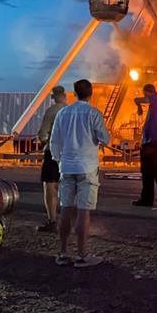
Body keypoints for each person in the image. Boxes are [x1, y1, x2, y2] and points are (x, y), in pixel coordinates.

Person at [50, 79, 109, 267]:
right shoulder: (93, 114)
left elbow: (54, 141)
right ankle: (82, 255)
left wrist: (59, 160)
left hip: (66, 167)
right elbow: (105, 139)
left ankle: (62, 252)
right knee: (84, 211)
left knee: (66, 209)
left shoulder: (62, 113)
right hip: (87, 168)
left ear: (74, 93)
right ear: (91, 94)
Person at [133, 83, 157, 207]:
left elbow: (140, 99)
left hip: (154, 144)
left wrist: (137, 102)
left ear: (147, 92)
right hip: (151, 143)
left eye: (144, 93)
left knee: (156, 173)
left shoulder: (155, 100)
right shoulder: (155, 105)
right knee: (149, 173)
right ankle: (149, 199)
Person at [36, 85, 67, 232]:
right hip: (70, 154)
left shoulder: (51, 112)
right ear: (65, 96)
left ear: (54, 97)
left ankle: (52, 220)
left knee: (50, 185)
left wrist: (44, 140)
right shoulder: (71, 111)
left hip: (53, 152)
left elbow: (42, 133)